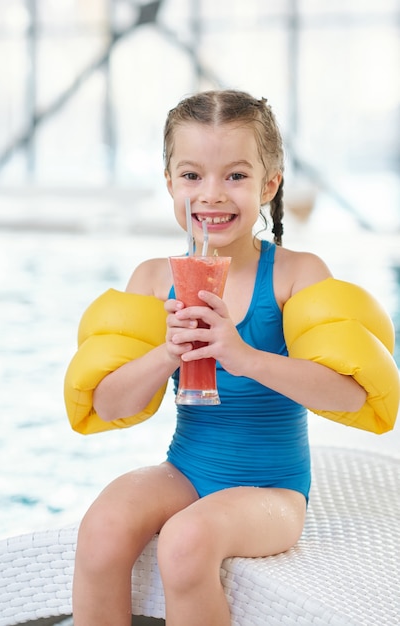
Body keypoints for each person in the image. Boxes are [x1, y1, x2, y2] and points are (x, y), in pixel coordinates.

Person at [71, 89, 368, 625]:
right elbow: (109, 405)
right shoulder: (154, 280)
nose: (211, 195)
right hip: (185, 469)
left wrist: (245, 355)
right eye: (191, 176)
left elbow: (351, 394)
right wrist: (166, 353)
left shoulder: (296, 275)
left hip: (272, 490)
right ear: (169, 183)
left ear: (268, 183)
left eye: (235, 176)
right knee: (102, 527)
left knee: (185, 542)